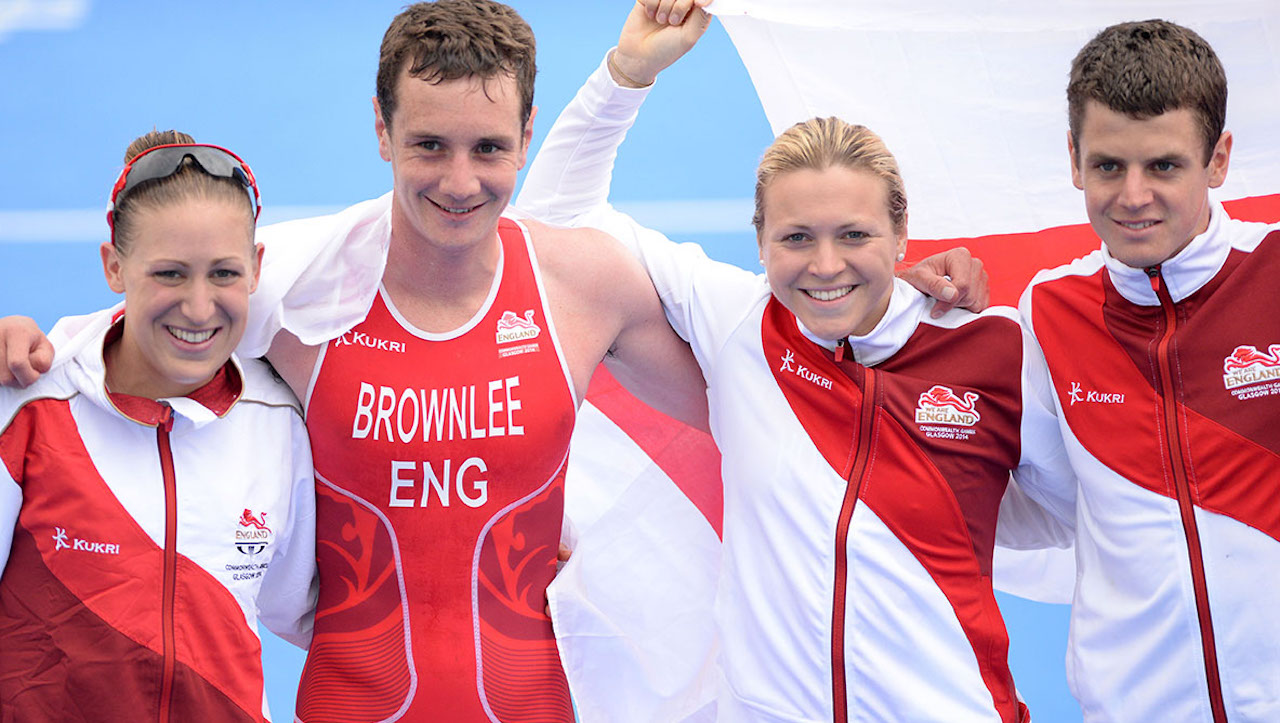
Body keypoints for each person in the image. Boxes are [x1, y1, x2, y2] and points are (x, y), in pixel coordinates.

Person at [0, 2, 989, 720]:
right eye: (427, 146)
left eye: (487, 149)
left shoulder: (581, 285)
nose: (460, 181)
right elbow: (160, 319)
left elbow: (777, 367)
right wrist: (32, 354)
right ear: (380, 132)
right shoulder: (302, 289)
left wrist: (910, 299)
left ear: (523, 141)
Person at [518, 5, 1076, 720]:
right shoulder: (738, 325)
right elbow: (555, 232)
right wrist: (627, 74)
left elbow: (1075, 515)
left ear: (903, 230)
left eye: (854, 234)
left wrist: (953, 493)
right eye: (796, 237)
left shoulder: (993, 347)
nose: (825, 265)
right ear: (758, 240)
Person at [0, 131, 316, 721]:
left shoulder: (279, 420)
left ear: (256, 269)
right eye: (169, 274)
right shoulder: (30, 405)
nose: (199, 308)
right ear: (114, 266)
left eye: (223, 273)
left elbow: (315, 609)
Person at [1017, 20, 1280, 721]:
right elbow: (1042, 505)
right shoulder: (1048, 312)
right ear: (1074, 159)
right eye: (1108, 166)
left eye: (1163, 165)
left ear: (1217, 158)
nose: (1133, 196)